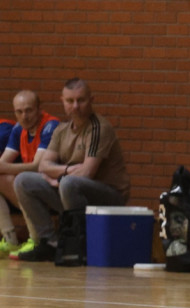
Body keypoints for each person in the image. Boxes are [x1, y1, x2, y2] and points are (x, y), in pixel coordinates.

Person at [12, 79, 131, 262]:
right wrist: (65, 171)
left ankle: (78, 243)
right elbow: (43, 166)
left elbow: (87, 173)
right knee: (23, 181)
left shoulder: (99, 128)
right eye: (70, 101)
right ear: (62, 101)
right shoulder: (61, 130)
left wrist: (58, 177)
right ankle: (49, 242)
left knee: (69, 183)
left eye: (80, 100)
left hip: (108, 196)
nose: (75, 106)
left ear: (91, 100)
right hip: (71, 192)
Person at [0, 90, 61, 256]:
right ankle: (10, 238)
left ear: (39, 109)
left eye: (28, 110)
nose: (24, 116)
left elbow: (37, 166)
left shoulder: (51, 126)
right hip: (32, 185)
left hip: (55, 188)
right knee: (13, 179)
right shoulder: (18, 129)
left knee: (21, 180)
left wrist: (3, 167)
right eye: (19, 112)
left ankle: (36, 239)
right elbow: (4, 161)